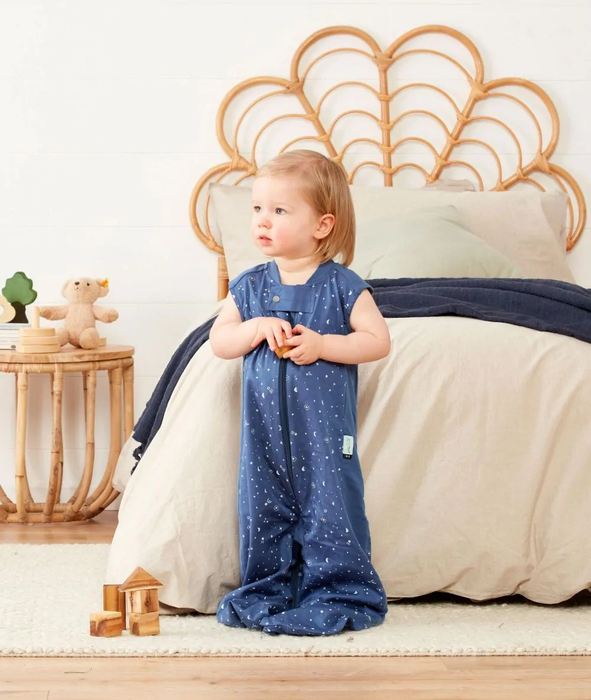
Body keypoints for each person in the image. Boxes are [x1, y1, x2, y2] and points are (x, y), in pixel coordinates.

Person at [209, 149, 390, 636]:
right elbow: (220, 342)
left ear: (322, 225)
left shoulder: (343, 286)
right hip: (264, 434)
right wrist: (255, 328)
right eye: (257, 208)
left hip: (324, 435)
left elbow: (377, 341)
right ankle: (269, 585)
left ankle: (337, 588)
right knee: (263, 506)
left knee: (331, 506)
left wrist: (324, 344)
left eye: (279, 210)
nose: (263, 221)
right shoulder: (248, 288)